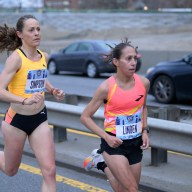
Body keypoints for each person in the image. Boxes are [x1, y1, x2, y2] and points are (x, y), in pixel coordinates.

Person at [0, 15, 64, 192]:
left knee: (50, 171)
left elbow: (39, 78)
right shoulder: (16, 58)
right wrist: (24, 100)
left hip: (39, 118)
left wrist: (52, 90)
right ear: (20, 34)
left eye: (38, 29)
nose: (37, 33)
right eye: (31, 30)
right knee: (10, 170)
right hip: (16, 122)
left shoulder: (44, 56)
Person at [80, 38, 150, 192]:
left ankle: (101, 163)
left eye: (135, 58)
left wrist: (145, 130)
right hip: (114, 143)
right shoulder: (106, 87)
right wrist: (107, 137)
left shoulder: (144, 83)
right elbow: (85, 117)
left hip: (135, 142)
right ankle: (103, 157)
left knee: (122, 189)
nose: (133, 63)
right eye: (128, 59)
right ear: (116, 62)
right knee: (132, 189)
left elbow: (143, 107)